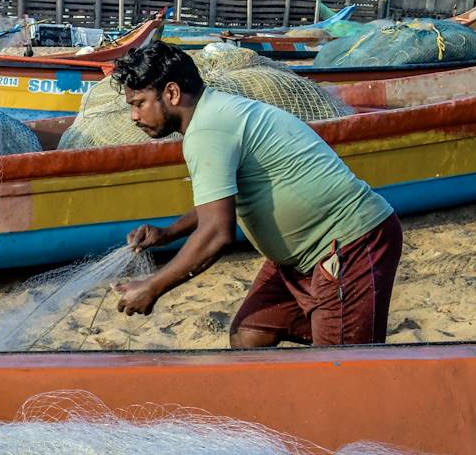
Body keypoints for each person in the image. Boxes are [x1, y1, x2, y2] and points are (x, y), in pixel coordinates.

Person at [113, 42, 402, 346]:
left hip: (348, 244)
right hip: (300, 259)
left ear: (171, 93)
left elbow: (216, 234)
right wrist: (169, 233)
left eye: (139, 103)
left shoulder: (207, 131)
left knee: (341, 368)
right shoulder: (212, 114)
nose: (134, 116)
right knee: (249, 335)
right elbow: (220, 197)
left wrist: (153, 287)